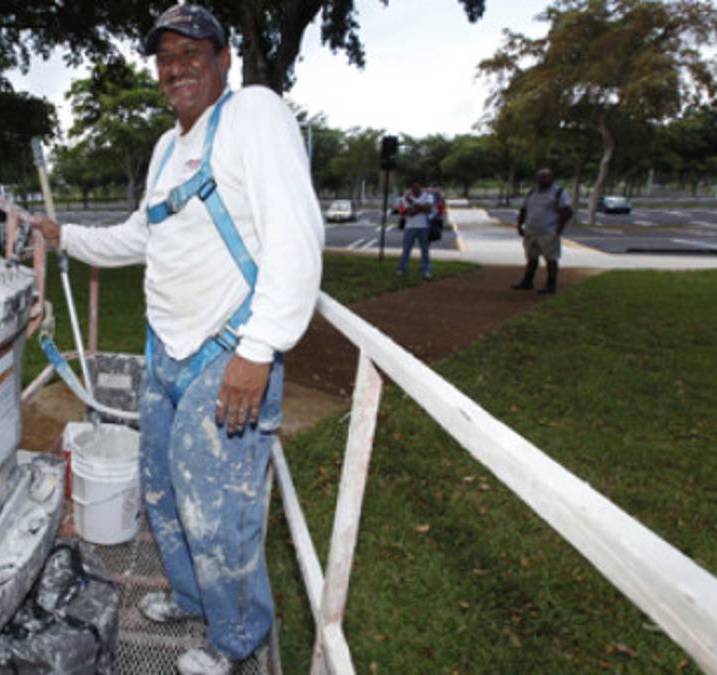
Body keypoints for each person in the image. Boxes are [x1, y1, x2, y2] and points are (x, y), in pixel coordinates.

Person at [33, 5, 324, 673]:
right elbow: (145, 233)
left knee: (220, 509)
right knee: (163, 489)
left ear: (224, 60)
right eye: (165, 57)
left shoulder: (254, 115)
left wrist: (260, 347)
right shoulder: (168, 148)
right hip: (167, 351)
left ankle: (235, 635)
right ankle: (193, 597)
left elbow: (296, 239)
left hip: (231, 349)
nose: (176, 67)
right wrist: (67, 237)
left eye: (193, 53)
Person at [513, 168, 573, 294]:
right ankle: (527, 281)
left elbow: (567, 212)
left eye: (545, 177)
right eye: (540, 177)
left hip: (548, 231)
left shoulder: (558, 193)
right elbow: (524, 210)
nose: (542, 180)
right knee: (531, 257)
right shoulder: (532, 192)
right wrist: (519, 225)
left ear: (551, 178)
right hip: (531, 230)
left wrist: (558, 229)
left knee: (551, 258)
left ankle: (551, 284)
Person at [395, 179, 435, 279]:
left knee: (425, 250)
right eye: (413, 187)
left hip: (424, 227)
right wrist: (422, 208)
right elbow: (410, 213)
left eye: (417, 187)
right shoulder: (405, 198)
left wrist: (413, 202)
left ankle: (426, 270)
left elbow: (429, 209)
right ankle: (401, 269)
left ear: (420, 186)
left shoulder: (427, 196)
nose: (415, 189)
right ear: (411, 188)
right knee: (406, 250)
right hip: (410, 227)